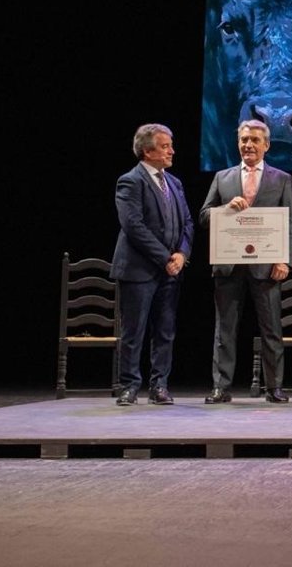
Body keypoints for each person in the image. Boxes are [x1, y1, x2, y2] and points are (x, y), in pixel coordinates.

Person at [199, 120, 292, 404]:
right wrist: (224, 208)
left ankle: (274, 387)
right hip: (228, 265)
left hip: (266, 265)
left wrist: (284, 260)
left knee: (271, 329)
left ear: (266, 145)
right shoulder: (222, 177)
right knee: (225, 328)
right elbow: (204, 216)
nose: (248, 145)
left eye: (254, 140)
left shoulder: (281, 179)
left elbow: (289, 222)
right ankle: (221, 387)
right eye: (243, 140)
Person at [110, 124, 194, 406]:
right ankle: (129, 386)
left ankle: (159, 386)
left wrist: (181, 253)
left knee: (165, 330)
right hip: (139, 270)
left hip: (171, 270)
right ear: (147, 151)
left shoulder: (175, 182)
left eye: (171, 145)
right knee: (134, 330)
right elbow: (133, 226)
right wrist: (165, 257)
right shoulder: (130, 181)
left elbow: (187, 223)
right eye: (165, 146)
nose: (172, 150)